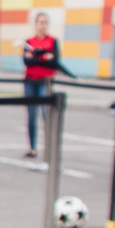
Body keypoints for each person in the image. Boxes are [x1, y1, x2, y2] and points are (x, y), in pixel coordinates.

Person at [18, 9, 73, 158]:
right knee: (31, 115)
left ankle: (49, 147)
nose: (42, 25)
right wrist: (43, 56)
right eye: (40, 22)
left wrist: (36, 55)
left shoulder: (53, 41)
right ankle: (32, 148)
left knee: (45, 113)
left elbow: (54, 62)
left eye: (45, 23)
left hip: (45, 82)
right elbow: (26, 61)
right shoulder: (29, 42)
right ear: (35, 24)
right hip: (30, 81)